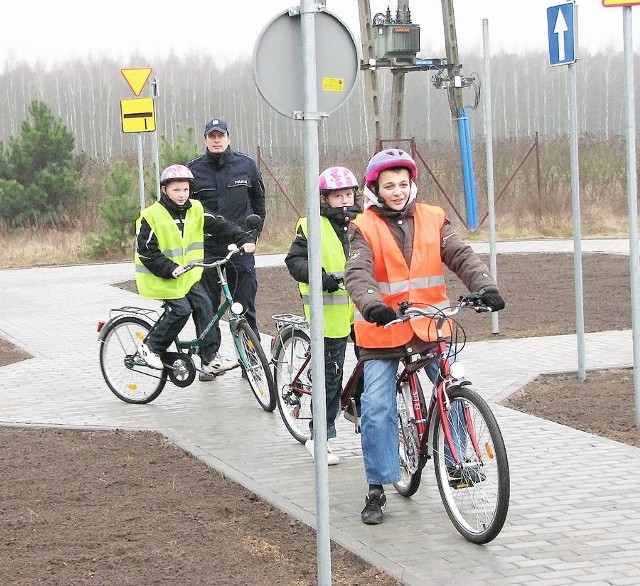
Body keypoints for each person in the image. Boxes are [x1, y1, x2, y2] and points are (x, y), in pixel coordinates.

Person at [344, 149, 505, 525]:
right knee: (379, 405)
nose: (397, 191)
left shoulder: (434, 218)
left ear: (412, 184)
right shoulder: (362, 227)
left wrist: (485, 286)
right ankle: (377, 487)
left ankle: (456, 463)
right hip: (383, 329)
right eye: (389, 186)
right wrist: (372, 305)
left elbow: (461, 255)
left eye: (403, 184)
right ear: (375, 189)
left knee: (456, 387)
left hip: (431, 324)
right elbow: (358, 273)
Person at [134, 164, 256, 376]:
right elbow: (146, 252)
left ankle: (209, 359)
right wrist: (170, 268)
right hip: (161, 278)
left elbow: (221, 225)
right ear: (164, 190)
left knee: (206, 305)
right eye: (176, 190)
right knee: (182, 310)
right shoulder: (152, 215)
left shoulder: (196, 210)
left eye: (185, 190)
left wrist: (243, 238)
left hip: (187, 277)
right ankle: (151, 347)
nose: (182, 195)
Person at [285, 167, 362, 466]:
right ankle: (320, 437)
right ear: (325, 199)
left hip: (363, 311)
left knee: (377, 363)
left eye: (347, 195)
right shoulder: (310, 225)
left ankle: (357, 408)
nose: (343, 201)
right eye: (336, 196)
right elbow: (294, 261)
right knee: (330, 376)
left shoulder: (364, 223)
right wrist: (319, 277)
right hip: (328, 313)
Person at [187, 119, 266, 381]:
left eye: (221, 135)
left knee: (243, 306)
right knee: (206, 306)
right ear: (205, 140)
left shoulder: (246, 166)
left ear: (229, 138)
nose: (217, 140)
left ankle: (250, 359)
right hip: (208, 248)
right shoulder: (194, 171)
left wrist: (252, 235)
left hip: (241, 248)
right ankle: (209, 360)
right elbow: (185, 211)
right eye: (212, 136)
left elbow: (259, 202)